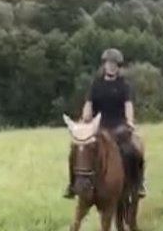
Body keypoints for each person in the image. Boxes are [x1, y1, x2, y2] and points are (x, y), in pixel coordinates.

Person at [63, 47, 147, 198]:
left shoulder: (124, 86)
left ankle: (138, 184)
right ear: (104, 65)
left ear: (118, 66)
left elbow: (128, 106)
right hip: (99, 128)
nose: (111, 66)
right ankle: (72, 185)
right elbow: (88, 105)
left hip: (119, 127)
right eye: (109, 63)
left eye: (114, 63)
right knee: (76, 150)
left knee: (133, 151)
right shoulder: (96, 85)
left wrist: (130, 121)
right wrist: (85, 118)